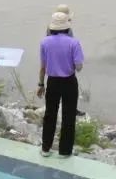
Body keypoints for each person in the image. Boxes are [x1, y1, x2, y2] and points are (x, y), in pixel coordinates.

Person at [36, 11, 84, 158]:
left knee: (50, 115)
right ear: (67, 27)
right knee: (68, 116)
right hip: (69, 81)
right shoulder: (74, 43)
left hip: (52, 82)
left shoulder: (45, 42)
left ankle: (46, 148)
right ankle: (65, 151)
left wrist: (40, 84)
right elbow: (79, 67)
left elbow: (43, 67)